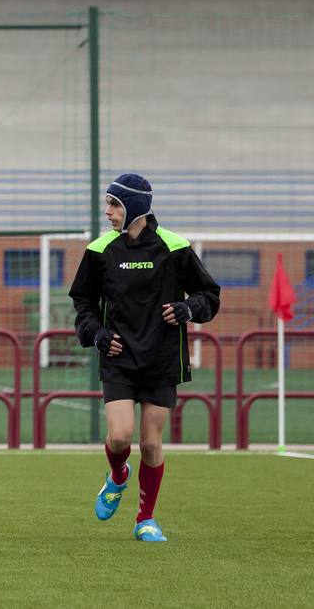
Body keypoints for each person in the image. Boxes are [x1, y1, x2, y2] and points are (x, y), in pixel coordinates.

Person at [71, 173, 220, 543]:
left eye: (114, 204)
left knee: (151, 444)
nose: (107, 212)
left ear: (135, 207)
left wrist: (189, 309)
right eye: (108, 203)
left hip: (161, 359)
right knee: (120, 437)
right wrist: (98, 334)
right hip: (119, 357)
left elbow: (209, 295)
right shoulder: (100, 250)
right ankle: (118, 475)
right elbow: (83, 303)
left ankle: (145, 520)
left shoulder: (174, 247)